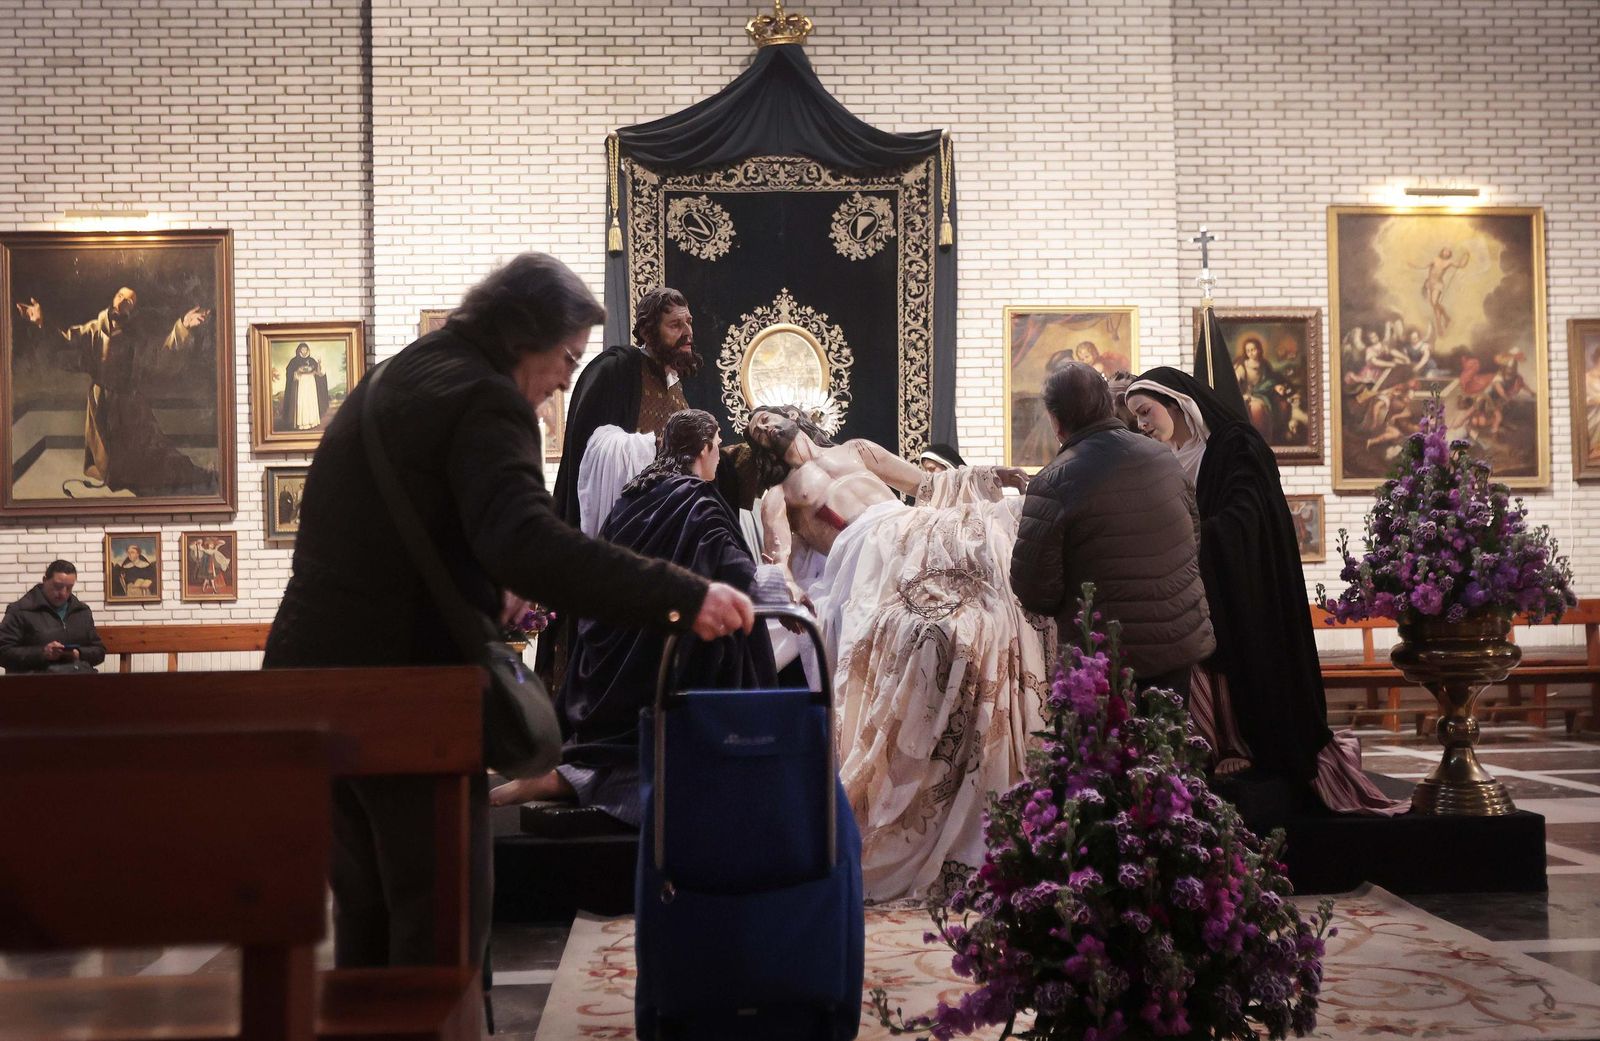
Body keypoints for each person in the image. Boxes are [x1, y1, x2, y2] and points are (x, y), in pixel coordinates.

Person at [263, 253, 755, 971]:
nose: (565, 381)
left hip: (308, 684)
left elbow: (388, 537)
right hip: (403, 699)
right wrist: (685, 595)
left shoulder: (401, 373)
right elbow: (529, 541)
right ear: (524, 335)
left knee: (368, 922)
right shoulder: (488, 399)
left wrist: (479, 584)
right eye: (566, 358)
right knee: (441, 930)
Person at [747, 405, 1053, 900]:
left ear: (793, 416)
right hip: (863, 553)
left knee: (995, 546)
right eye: (754, 427)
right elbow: (776, 556)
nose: (762, 425)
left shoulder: (856, 450)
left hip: (912, 528)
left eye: (766, 416)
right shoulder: (777, 495)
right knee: (940, 620)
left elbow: (928, 485)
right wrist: (789, 585)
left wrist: (997, 474)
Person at [1124, 367, 1401, 815]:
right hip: (1192, 586)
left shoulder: (1234, 444)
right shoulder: (1169, 459)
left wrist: (1195, 538)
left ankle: (1239, 744)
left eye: (1145, 411)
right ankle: (1211, 745)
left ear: (1176, 402)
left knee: (1233, 667)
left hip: (1239, 579)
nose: (1141, 424)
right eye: (1136, 417)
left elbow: (1248, 514)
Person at [490, 409, 784, 819]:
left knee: (614, 746)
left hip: (615, 657)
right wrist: (781, 589)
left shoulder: (633, 495)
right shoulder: (699, 501)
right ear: (703, 449)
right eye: (718, 447)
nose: (719, 457)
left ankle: (561, 779)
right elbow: (733, 568)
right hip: (664, 657)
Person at [1010, 362, 1213, 696]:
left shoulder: (1052, 482)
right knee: (1168, 730)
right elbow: (1193, 540)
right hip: (1177, 645)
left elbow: (1034, 590)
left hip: (1103, 660)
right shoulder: (1163, 458)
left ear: (1055, 421)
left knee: (1108, 733)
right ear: (1108, 405)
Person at [14, 286, 215, 495]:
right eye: (120, 296)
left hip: (129, 405)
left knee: (153, 458)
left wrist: (183, 326)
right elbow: (65, 342)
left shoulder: (135, 338)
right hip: (101, 401)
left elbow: (161, 354)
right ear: (113, 299)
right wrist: (41, 322)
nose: (122, 302)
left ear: (132, 310)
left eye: (129, 301)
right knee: (108, 462)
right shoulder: (93, 329)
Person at [551, 286, 699, 529]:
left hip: (665, 520)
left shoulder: (675, 385)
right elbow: (592, 452)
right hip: (622, 521)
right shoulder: (617, 370)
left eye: (689, 322)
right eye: (675, 325)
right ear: (648, 332)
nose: (688, 332)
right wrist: (651, 446)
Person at [0, 560, 106, 674]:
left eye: (69, 588)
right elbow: (3, 653)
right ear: (45, 580)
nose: (63, 593)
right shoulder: (20, 611)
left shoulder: (82, 611)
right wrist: (42, 653)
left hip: (78, 678)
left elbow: (99, 651)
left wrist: (79, 653)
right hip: (36, 680)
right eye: (58, 586)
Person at [279, 342, 331, 431]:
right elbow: (290, 373)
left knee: (310, 402)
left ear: (308, 350)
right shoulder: (294, 361)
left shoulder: (312, 360)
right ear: (299, 350)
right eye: (302, 349)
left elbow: (319, 373)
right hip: (301, 384)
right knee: (301, 402)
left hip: (311, 384)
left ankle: (312, 422)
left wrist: (319, 364)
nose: (304, 351)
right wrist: (297, 371)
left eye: (305, 349)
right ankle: (301, 424)